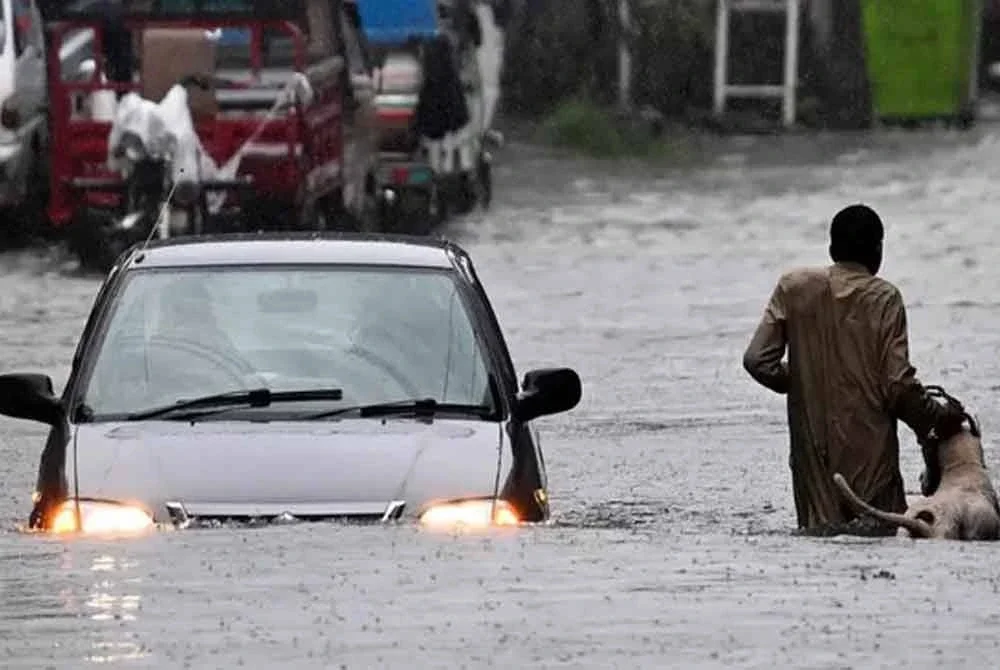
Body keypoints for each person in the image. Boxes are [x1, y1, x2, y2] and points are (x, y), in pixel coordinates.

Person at [742, 204, 967, 535]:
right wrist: (940, 418)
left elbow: (757, 359)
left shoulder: (794, 287)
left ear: (832, 249)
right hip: (870, 460)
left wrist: (809, 378)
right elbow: (898, 387)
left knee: (821, 540)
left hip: (812, 461)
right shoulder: (884, 297)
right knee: (879, 537)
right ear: (878, 250)